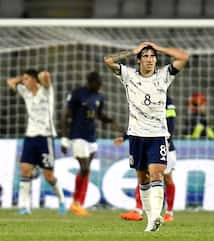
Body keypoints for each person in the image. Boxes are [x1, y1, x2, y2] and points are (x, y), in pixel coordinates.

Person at [104, 42, 188, 232]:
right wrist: (131, 51)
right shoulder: (129, 75)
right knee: (143, 178)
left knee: (157, 173)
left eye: (153, 56)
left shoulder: (164, 75)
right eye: (146, 56)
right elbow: (108, 60)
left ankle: (155, 219)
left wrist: (159, 48)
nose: (150, 59)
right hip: (136, 136)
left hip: (158, 135)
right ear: (139, 60)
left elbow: (183, 57)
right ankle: (151, 218)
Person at [61, 71, 122, 216]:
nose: (100, 86)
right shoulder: (78, 93)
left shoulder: (99, 97)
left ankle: (78, 204)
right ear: (90, 82)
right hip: (78, 136)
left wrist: (111, 121)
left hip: (91, 137)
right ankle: (76, 203)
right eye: (98, 83)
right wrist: (64, 139)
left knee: (86, 169)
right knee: (84, 167)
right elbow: (65, 115)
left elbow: (99, 115)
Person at [6, 69, 66, 215]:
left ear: (34, 80)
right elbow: (9, 82)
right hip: (30, 137)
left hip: (45, 137)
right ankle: (25, 207)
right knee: (25, 170)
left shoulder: (46, 91)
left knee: (48, 175)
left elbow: (46, 77)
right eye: (24, 79)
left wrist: (42, 76)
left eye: (27, 79)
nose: (24, 82)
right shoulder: (24, 91)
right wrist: (23, 77)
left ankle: (62, 201)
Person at [115, 95, 177, 223]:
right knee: (143, 175)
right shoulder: (142, 97)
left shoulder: (167, 99)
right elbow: (139, 122)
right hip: (147, 142)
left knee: (167, 177)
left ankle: (169, 213)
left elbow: (171, 121)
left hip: (165, 144)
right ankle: (138, 210)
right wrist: (124, 137)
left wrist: (167, 140)